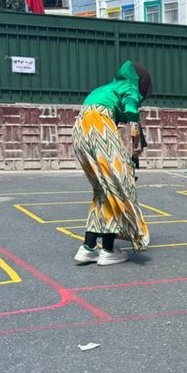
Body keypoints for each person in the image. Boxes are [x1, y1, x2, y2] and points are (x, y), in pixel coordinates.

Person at [72, 60, 152, 266]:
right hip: (100, 126)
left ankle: (88, 247)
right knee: (117, 186)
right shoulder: (129, 86)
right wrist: (135, 122)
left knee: (102, 189)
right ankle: (107, 250)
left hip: (81, 130)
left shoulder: (105, 88)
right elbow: (131, 106)